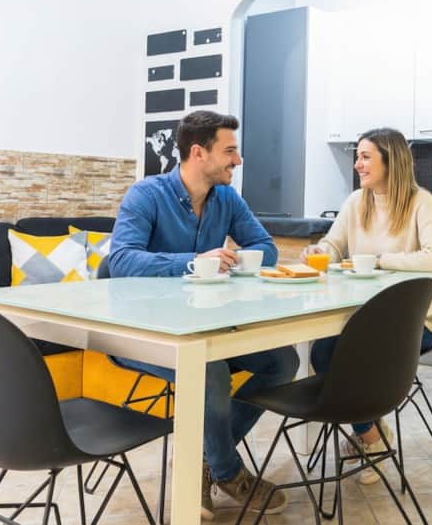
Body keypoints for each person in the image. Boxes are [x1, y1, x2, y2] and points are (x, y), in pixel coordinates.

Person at [110, 110, 297, 519]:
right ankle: (228, 471)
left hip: (205, 326)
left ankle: (200, 461)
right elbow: (121, 260)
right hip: (143, 332)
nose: (238, 160)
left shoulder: (226, 199)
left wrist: (236, 260)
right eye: (230, 151)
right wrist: (195, 261)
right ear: (199, 153)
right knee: (209, 369)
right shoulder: (146, 195)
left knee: (283, 361)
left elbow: (266, 248)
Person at [302, 127, 432, 484]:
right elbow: (333, 246)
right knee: (323, 353)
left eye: (365, 157)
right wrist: (319, 251)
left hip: (411, 323)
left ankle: (367, 437)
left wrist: (379, 260)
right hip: (359, 317)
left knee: (349, 356)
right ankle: (372, 435)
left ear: (390, 161)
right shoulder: (357, 201)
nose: (357, 164)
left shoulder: (420, 202)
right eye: (357, 157)